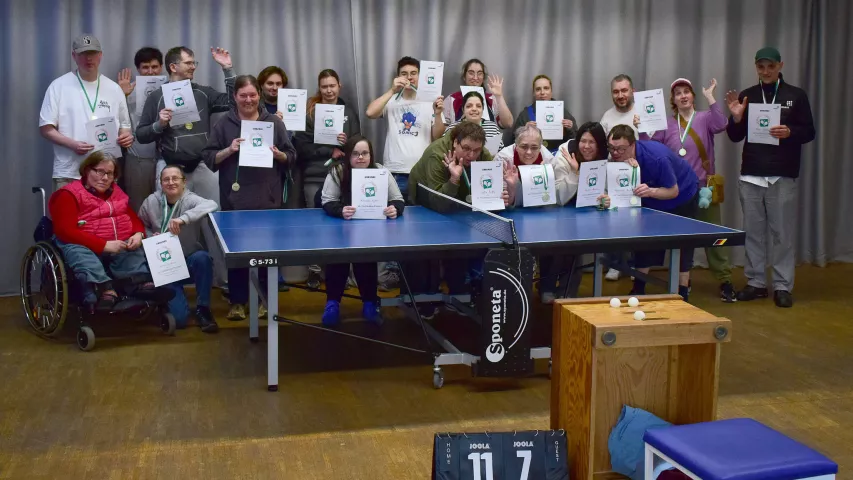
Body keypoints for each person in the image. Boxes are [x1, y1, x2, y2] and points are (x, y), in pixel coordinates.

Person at [726, 47, 815, 308]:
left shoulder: (795, 95)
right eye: (761, 67)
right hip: (752, 174)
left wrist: (790, 131)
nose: (765, 71)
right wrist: (736, 119)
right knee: (753, 233)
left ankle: (782, 285)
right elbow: (734, 136)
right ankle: (755, 282)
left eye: (770, 66)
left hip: (782, 175)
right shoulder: (748, 95)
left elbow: (809, 131)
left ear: (780, 66)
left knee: (782, 234)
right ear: (756, 67)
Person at [203, 75, 296, 321]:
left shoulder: (274, 123)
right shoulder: (224, 124)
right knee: (237, 256)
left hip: (267, 200)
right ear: (235, 97)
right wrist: (229, 149)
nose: (248, 100)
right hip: (235, 201)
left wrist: (278, 155)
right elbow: (210, 158)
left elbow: (291, 156)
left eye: (252, 95)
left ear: (259, 96)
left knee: (267, 255)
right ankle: (237, 302)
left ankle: (266, 300)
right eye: (243, 95)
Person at [634, 77, 736, 302]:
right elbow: (649, 147)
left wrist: (711, 98)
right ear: (673, 100)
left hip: (704, 190)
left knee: (714, 237)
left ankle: (725, 280)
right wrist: (640, 128)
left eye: (686, 92)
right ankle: (681, 281)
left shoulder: (705, 118)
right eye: (678, 93)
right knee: (676, 237)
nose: (683, 96)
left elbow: (721, 125)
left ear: (693, 96)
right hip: (677, 192)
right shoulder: (667, 125)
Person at [405, 121, 506, 319]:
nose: (471, 155)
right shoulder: (437, 155)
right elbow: (438, 203)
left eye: (476, 150)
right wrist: (453, 179)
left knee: (462, 246)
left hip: (459, 208)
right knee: (429, 253)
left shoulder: (482, 154)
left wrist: (502, 195)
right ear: (455, 143)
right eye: (466, 149)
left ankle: (459, 295)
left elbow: (490, 189)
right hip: (425, 204)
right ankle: (424, 299)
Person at [602, 125, 699, 301]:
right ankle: (638, 288)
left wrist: (650, 192)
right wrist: (634, 174)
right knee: (646, 241)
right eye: (612, 148)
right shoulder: (617, 159)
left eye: (620, 149)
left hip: (683, 195)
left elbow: (673, 191)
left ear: (633, 145)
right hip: (653, 199)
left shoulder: (656, 158)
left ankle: (683, 290)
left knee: (684, 243)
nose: (615, 153)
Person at [48, 151, 151, 309]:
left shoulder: (117, 193)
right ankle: (103, 291)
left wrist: (138, 233)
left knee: (131, 249)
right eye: (100, 171)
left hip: (116, 242)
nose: (104, 178)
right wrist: (103, 245)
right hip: (82, 242)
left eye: (109, 174)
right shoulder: (68, 194)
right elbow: (65, 230)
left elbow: (131, 216)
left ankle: (138, 286)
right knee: (82, 255)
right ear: (87, 170)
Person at [319, 136, 404, 326]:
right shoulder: (338, 171)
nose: (360, 158)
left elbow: (398, 199)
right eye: (355, 154)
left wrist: (394, 209)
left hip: (371, 229)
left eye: (365, 153)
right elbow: (326, 201)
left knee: (366, 262)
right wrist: (340, 210)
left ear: (370, 155)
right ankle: (332, 304)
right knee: (337, 261)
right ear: (348, 156)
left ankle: (369, 303)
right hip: (341, 228)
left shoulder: (381, 171)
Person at [136, 46, 236, 204]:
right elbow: (140, 135)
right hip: (170, 167)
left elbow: (234, 103)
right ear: (173, 67)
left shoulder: (204, 93)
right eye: (188, 63)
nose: (193, 66)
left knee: (211, 215)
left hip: (204, 165)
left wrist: (227, 69)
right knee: (171, 219)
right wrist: (159, 124)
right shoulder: (156, 97)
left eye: (194, 63)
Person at [293, 69, 362, 289]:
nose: (329, 90)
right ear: (319, 88)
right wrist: (328, 150)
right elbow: (301, 147)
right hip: (315, 175)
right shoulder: (309, 112)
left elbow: (358, 145)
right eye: (324, 86)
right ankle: (314, 271)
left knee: (344, 225)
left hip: (343, 176)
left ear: (339, 86)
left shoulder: (349, 112)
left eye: (332, 85)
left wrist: (346, 142)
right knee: (315, 224)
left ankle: (344, 272)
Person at [39, 34, 134, 192]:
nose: (88, 58)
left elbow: (125, 125)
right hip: (69, 172)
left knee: (102, 217)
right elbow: (46, 128)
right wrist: (72, 144)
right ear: (74, 56)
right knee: (68, 217)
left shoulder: (114, 89)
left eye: (92, 53)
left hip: (104, 176)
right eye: (83, 54)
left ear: (100, 55)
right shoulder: (58, 86)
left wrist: (126, 136)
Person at [499, 124, 579, 303]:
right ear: (515, 144)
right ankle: (515, 290)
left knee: (553, 242)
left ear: (541, 146)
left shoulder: (548, 159)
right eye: (524, 147)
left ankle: (547, 287)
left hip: (541, 213)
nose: (529, 152)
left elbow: (557, 197)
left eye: (534, 147)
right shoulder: (503, 158)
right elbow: (502, 200)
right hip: (512, 214)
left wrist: (545, 177)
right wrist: (513, 187)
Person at [138, 165, 219, 333]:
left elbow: (212, 204)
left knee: (203, 258)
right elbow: (140, 225)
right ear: (160, 183)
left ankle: (203, 309)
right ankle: (165, 301)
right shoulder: (151, 201)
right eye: (166, 179)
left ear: (184, 182)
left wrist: (184, 219)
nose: (171, 182)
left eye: (175, 178)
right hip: (164, 266)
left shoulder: (190, 199)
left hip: (188, 260)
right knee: (180, 321)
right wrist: (148, 236)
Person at [365, 56, 446, 201]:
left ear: (420, 76)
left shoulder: (431, 101)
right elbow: (370, 113)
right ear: (398, 77)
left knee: (423, 219)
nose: (409, 77)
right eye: (404, 73)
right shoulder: (391, 100)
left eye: (413, 73)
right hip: (395, 172)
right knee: (395, 217)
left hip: (423, 171)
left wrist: (438, 114)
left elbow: (437, 136)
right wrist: (392, 90)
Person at [600, 73, 639, 281]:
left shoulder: (643, 112)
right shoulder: (607, 116)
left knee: (635, 220)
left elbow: (657, 141)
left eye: (624, 90)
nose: (621, 95)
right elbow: (602, 148)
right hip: (612, 174)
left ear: (632, 90)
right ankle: (615, 264)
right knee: (613, 220)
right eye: (616, 91)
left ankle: (634, 265)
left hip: (636, 172)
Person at [116, 47, 165, 211]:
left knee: (164, 206)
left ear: (161, 67)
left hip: (166, 159)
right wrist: (122, 95)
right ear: (138, 69)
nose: (150, 71)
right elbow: (115, 120)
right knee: (138, 207)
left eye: (154, 67)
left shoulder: (172, 89)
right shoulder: (127, 90)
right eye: (145, 67)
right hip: (138, 159)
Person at [509, 74, 578, 153]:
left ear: (551, 91)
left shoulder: (562, 112)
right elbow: (514, 143)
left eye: (546, 88)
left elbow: (575, 141)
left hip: (558, 156)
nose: (542, 92)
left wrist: (570, 128)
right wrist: (523, 131)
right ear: (534, 93)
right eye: (538, 89)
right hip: (532, 157)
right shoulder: (525, 115)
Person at [443, 59, 513, 128]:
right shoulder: (452, 99)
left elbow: (508, 124)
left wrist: (499, 96)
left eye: (479, 73)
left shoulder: (491, 99)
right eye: (471, 73)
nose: (475, 78)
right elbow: (443, 132)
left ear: (483, 77)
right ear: (464, 77)